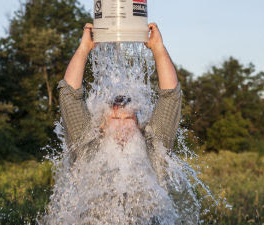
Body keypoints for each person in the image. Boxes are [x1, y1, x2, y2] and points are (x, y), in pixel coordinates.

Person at [55, 23, 183, 224]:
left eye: (128, 119)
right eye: (115, 119)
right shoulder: (86, 147)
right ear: (102, 126)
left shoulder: (153, 148)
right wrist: (84, 49)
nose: (122, 125)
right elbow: (69, 95)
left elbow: (170, 97)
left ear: (139, 124)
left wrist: (158, 48)